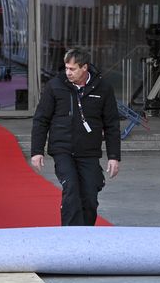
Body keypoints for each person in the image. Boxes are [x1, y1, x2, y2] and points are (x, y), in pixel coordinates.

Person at [30, 48, 121, 226]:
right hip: (62, 149)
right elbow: (41, 119)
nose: (68, 72)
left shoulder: (103, 88)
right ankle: (70, 238)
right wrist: (36, 151)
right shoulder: (55, 86)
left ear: (84, 68)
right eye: (66, 68)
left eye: (72, 69)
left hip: (89, 151)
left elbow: (111, 124)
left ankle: (85, 235)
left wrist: (114, 157)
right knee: (71, 188)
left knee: (89, 196)